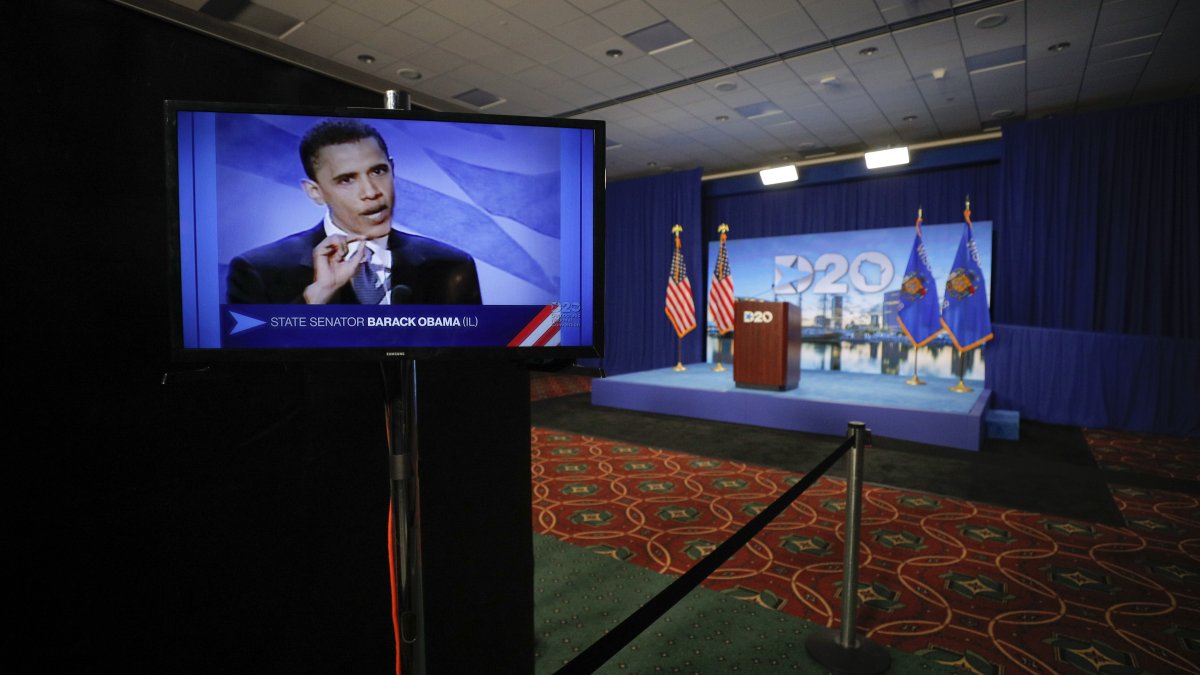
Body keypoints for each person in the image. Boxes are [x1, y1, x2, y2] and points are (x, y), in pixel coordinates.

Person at [226, 119, 481, 305]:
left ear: (392, 169)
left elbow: (473, 363)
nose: (371, 192)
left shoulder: (452, 265)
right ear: (315, 192)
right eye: (347, 179)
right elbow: (255, 373)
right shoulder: (259, 271)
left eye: (378, 171)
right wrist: (314, 304)